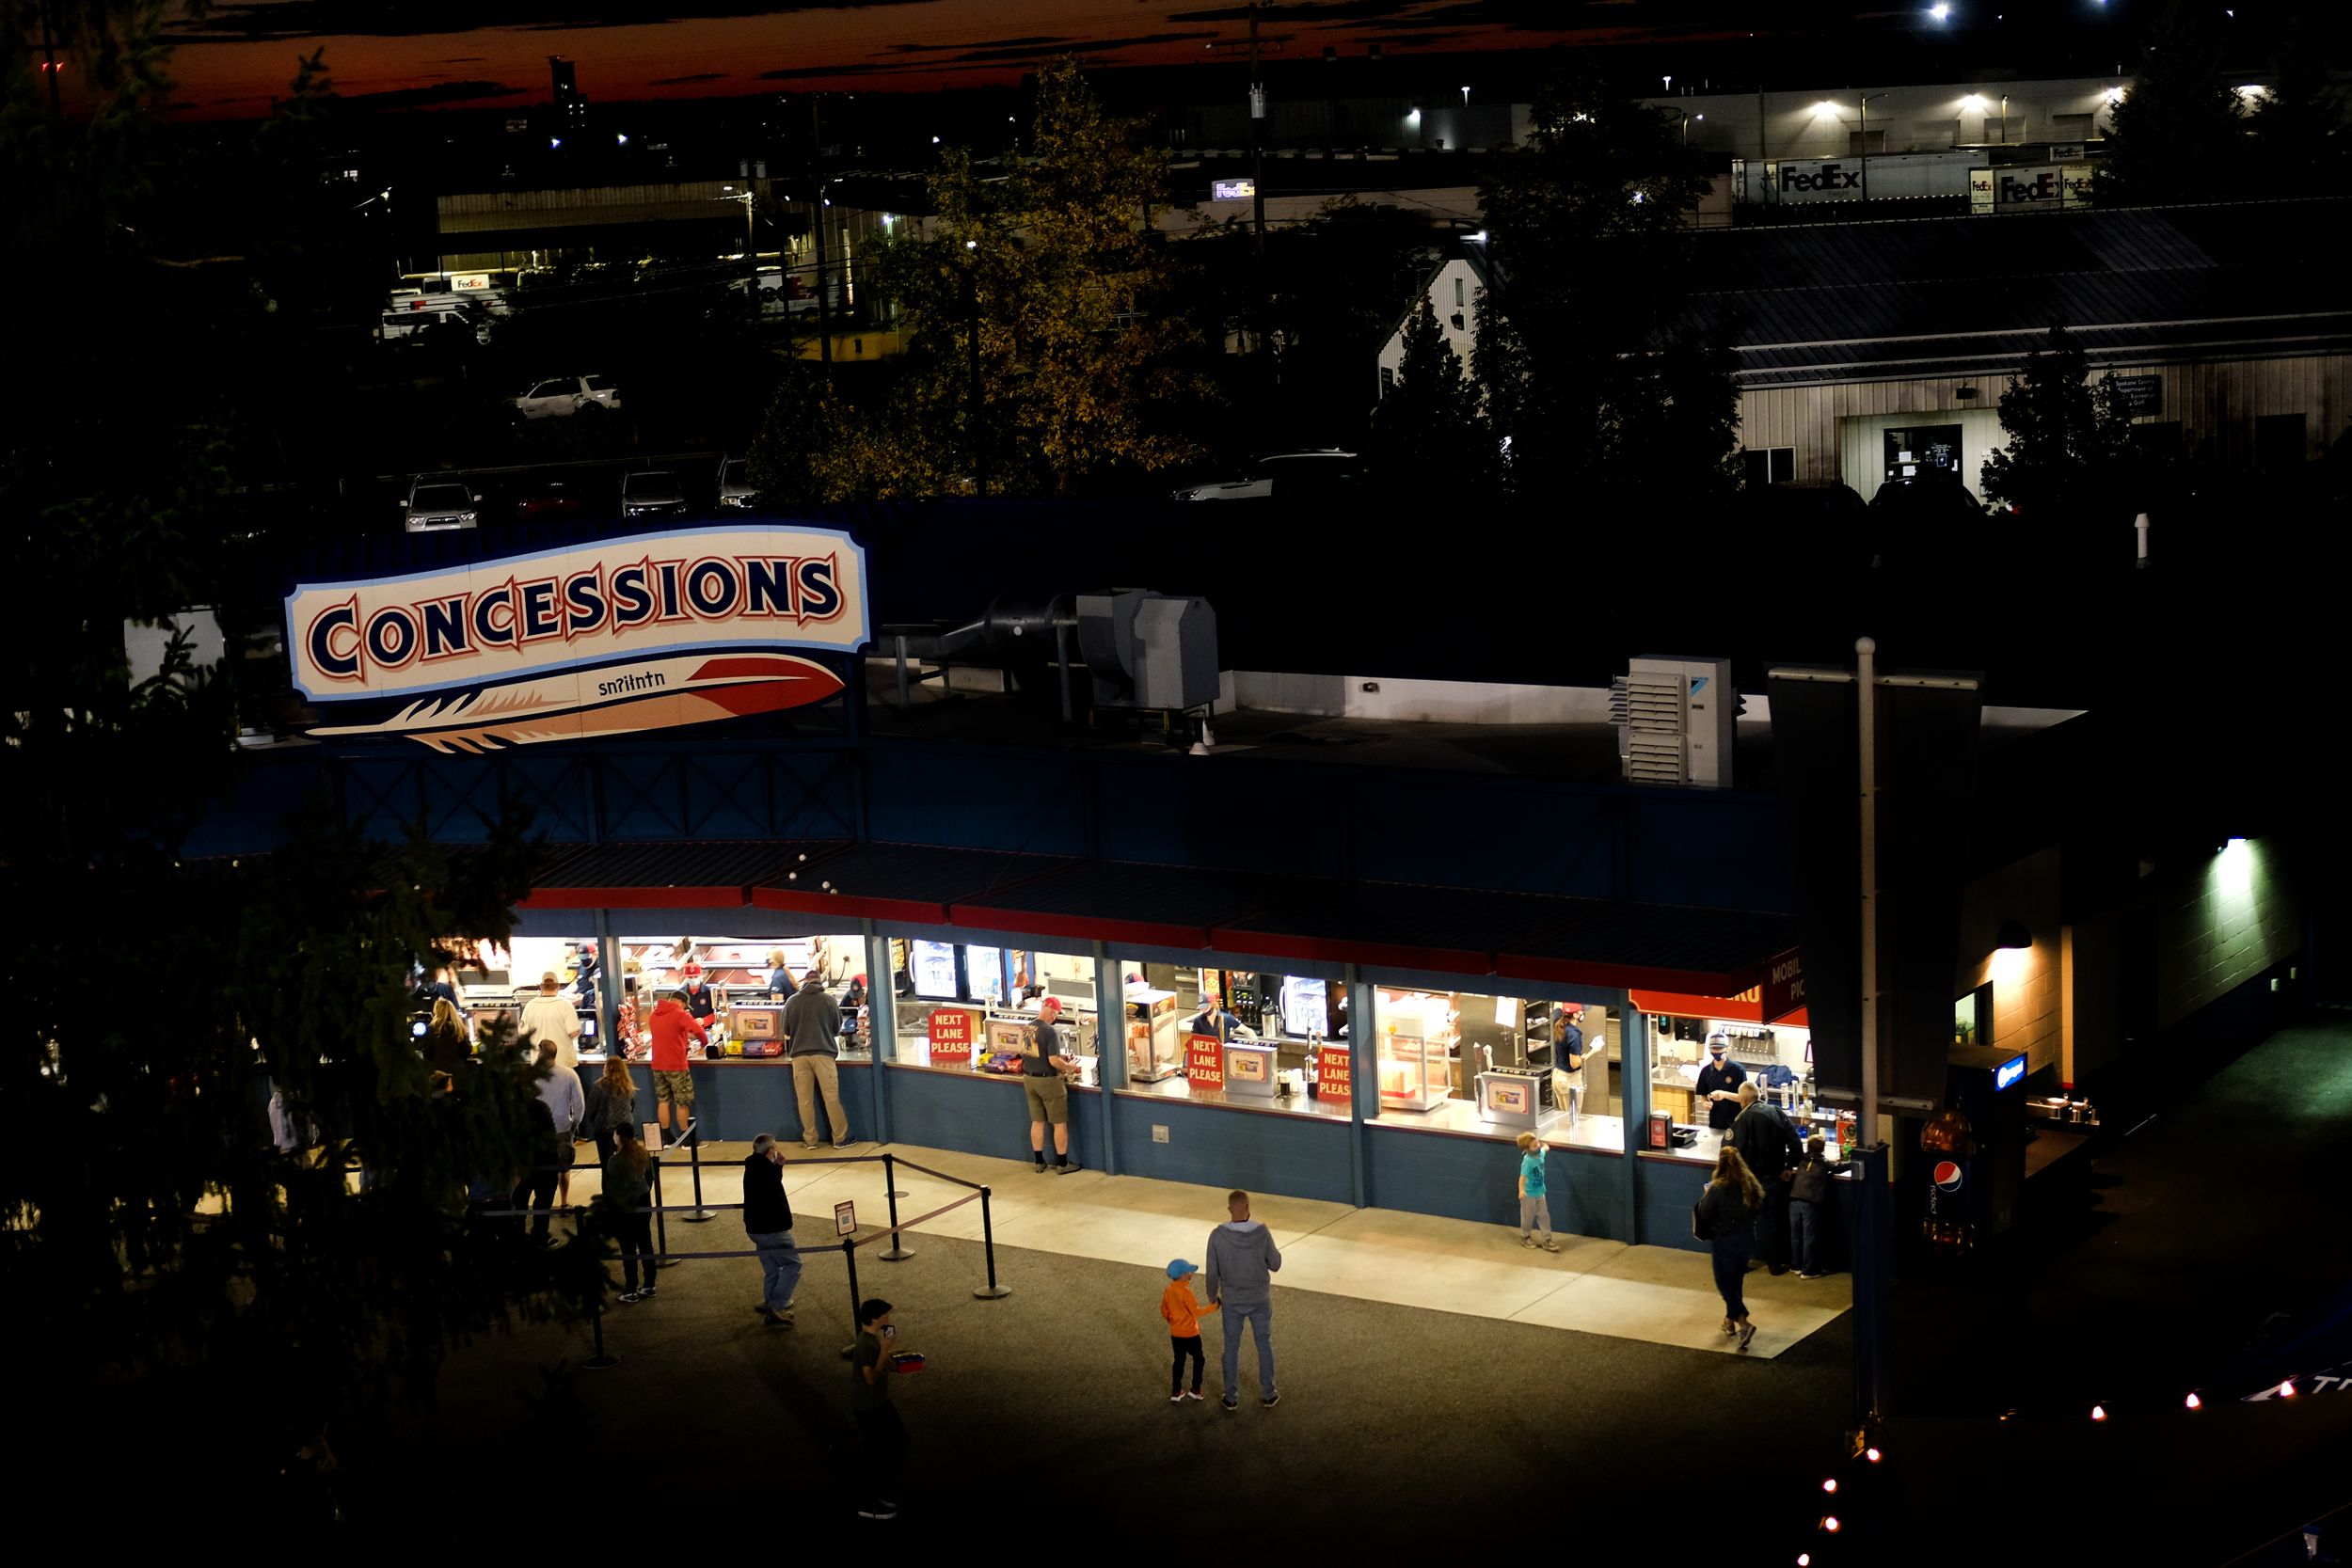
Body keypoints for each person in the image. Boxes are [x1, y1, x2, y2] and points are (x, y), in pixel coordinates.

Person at [1203, 1188, 1283, 1410]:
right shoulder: (1262, 1232)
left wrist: (1212, 1297)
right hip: (1259, 1299)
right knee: (1264, 1344)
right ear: (1248, 1207)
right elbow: (1275, 1264)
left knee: (1231, 1348)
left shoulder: (1217, 1236)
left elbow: (1212, 1272)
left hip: (1232, 1302)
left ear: (1229, 1209)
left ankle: (1231, 1397)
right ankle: (1269, 1393)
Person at [1729, 1082, 1805, 1274]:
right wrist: (1789, 1165)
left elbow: (1730, 1151)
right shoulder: (1776, 1112)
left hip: (1748, 1181)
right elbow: (1795, 1142)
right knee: (1773, 1222)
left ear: (1743, 1100)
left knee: (1744, 1222)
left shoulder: (1741, 1119)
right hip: (1773, 1178)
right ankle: (1775, 1264)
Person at [1696, 1146, 1764, 1351]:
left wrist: (1706, 1195)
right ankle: (1729, 1321)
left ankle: (1744, 1324)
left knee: (1724, 1283)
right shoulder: (1749, 1185)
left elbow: (1705, 1213)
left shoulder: (1717, 1188)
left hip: (1725, 1241)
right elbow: (1758, 1207)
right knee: (1735, 1281)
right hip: (1746, 1239)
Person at [850, 1298, 909, 1520]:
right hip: (869, 1408)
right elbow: (870, 1378)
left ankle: (876, 1492)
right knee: (877, 1454)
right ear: (875, 1318)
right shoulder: (866, 1344)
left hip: (879, 1403)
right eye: (885, 1315)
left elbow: (880, 1367)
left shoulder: (872, 1340)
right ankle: (868, 1503)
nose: (888, 1319)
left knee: (898, 1443)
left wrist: (894, 1361)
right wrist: (884, 1352)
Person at [784, 974, 853, 1148]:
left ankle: (810, 1140)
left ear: (804, 981)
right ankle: (840, 1138)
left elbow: (785, 1029)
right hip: (824, 1055)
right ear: (820, 982)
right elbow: (837, 1028)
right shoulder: (828, 1000)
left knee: (805, 1101)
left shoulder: (791, 1001)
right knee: (831, 1098)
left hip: (799, 1056)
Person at [741, 1133, 802, 1326]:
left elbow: (769, 1182)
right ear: (770, 1151)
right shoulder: (766, 1170)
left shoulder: (753, 1166)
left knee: (773, 1268)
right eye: (775, 1148)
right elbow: (772, 1188)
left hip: (756, 1229)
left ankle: (770, 1301)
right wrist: (776, 1167)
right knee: (793, 1265)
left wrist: (777, 1166)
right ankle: (777, 1306)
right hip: (773, 1230)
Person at [1022, 996, 1082, 1173]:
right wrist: (1069, 1067)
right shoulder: (1049, 1032)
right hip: (1048, 1082)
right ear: (1052, 1012)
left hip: (1029, 1080)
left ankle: (1039, 1162)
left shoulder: (1028, 1028)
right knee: (1059, 1122)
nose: (1055, 1017)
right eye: (1055, 1014)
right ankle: (1062, 1164)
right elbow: (1053, 1061)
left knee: (1037, 1121)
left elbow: (1032, 1054)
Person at [647, 988, 707, 1149]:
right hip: (676, 1065)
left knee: (663, 1101)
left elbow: (668, 1034)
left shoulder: (654, 1014)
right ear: (681, 1002)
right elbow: (700, 1032)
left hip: (658, 1064)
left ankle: (667, 1138)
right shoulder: (680, 1014)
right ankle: (687, 1140)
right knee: (682, 1102)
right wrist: (703, 1044)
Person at [532, 1039, 584, 1210]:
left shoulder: (533, 1076)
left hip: (539, 1131)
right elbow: (579, 1105)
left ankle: (542, 1203)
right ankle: (563, 1202)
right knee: (564, 1168)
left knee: (541, 1169)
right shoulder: (569, 1075)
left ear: (540, 1054)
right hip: (562, 1127)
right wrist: (574, 1125)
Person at [605, 1131, 658, 1303]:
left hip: (624, 1207)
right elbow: (650, 1179)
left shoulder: (614, 1160)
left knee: (628, 1248)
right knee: (645, 1243)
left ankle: (630, 1289)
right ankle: (650, 1284)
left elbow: (610, 1187)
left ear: (619, 1137)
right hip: (643, 1203)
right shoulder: (644, 1153)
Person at [1160, 1259, 1219, 1402]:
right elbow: (1196, 1312)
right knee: (1199, 1359)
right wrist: (1214, 1307)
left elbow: (1163, 1309)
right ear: (1182, 1276)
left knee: (1179, 1361)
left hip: (1176, 1334)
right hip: (1191, 1334)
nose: (1191, 1274)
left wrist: (1173, 1321)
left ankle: (1176, 1391)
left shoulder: (1169, 1290)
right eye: (1189, 1272)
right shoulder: (1186, 1292)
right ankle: (1196, 1389)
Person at [1788, 1135, 1847, 1279]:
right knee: (1809, 1237)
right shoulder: (1823, 1163)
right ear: (1822, 1148)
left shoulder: (1802, 1159)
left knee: (1795, 1235)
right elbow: (1838, 1168)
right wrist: (1853, 1161)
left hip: (1794, 1200)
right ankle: (1808, 1270)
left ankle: (1795, 1265)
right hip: (1810, 1202)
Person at [511, 1094, 562, 1243]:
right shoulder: (540, 1107)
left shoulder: (509, 1109)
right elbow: (551, 1138)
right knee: (543, 1201)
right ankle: (540, 1235)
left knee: (518, 1200)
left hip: (522, 1163)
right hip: (544, 1162)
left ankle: (518, 1234)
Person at [518, 971, 583, 1074]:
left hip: (539, 1064)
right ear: (558, 986)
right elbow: (574, 1032)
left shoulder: (530, 1006)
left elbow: (523, 1033)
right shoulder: (565, 1005)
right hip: (563, 1063)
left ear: (541, 987)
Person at [583, 1053, 638, 1171]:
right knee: (626, 1164)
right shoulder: (628, 1087)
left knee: (606, 1166)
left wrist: (594, 1121)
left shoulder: (599, 1086)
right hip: (625, 1129)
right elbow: (632, 1106)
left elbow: (591, 1109)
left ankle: (608, 1188)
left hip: (604, 1129)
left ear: (606, 1069)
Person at [1516, 1131, 1559, 1252]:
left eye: (1537, 1143)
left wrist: (1544, 1145)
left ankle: (1547, 1239)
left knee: (1544, 1216)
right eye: (1534, 1145)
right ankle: (1526, 1236)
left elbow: (1545, 1148)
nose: (1538, 1146)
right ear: (1527, 1149)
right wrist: (1521, 1190)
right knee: (1527, 1217)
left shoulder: (1540, 1154)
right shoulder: (1528, 1161)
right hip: (1528, 1194)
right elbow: (1522, 1178)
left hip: (1540, 1192)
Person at [1694, 1034, 1748, 1132]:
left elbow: (1744, 1098)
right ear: (1710, 1050)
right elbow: (1703, 1095)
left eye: (1720, 1048)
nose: (1717, 1052)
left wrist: (1724, 1095)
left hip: (1735, 1121)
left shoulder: (1738, 1070)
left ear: (1726, 1048)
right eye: (1714, 1049)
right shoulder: (1706, 1071)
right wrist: (1705, 1103)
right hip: (1715, 1122)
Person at [1552, 1006, 1588, 1125]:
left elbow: (1556, 1007)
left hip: (1557, 1077)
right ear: (1576, 1015)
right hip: (1569, 1080)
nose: (1584, 1012)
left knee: (1564, 1118)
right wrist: (1592, 1053)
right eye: (1582, 1011)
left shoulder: (1557, 1022)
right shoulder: (1574, 1034)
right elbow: (1574, 1063)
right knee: (1573, 1120)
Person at [422, 997, 470, 1085]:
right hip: (457, 1072)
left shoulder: (432, 1029)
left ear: (437, 1011)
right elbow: (467, 1050)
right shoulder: (459, 1029)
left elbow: (427, 1052)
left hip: (438, 1073)